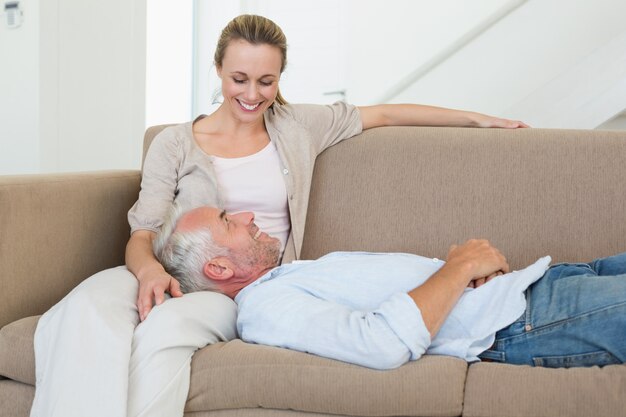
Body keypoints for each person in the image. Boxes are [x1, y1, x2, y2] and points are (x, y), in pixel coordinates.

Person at [30, 14, 530, 417]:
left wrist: (477, 117)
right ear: (219, 71)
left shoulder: (297, 127)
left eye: (266, 81)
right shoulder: (176, 143)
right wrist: (148, 273)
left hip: (233, 286)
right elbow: (142, 232)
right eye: (239, 79)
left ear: (280, 78)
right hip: (162, 264)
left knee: (164, 332)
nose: (252, 94)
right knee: (77, 312)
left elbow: (385, 113)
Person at [155, 205, 626, 370]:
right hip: (524, 322)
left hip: (541, 283)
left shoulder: (289, 276)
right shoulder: (265, 309)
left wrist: (474, 269)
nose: (246, 216)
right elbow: (378, 344)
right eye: (226, 220)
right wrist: (458, 267)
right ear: (217, 269)